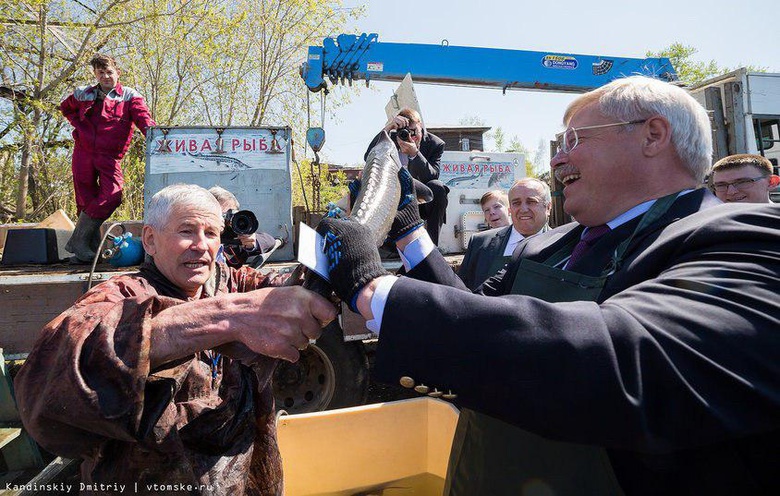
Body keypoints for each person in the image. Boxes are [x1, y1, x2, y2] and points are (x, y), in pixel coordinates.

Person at [316, 76, 779, 495]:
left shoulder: (745, 238)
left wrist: (371, 289)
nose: (557, 158)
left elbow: (628, 356)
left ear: (653, 136)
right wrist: (408, 230)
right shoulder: (550, 245)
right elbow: (470, 316)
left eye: (575, 140)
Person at [15, 184, 336, 494]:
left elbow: (283, 290)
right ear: (150, 240)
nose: (201, 244)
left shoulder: (229, 281)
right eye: (186, 231)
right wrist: (225, 318)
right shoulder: (123, 294)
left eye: (211, 233)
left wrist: (326, 268)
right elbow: (50, 377)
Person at [61, 53, 156, 263]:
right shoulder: (83, 93)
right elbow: (66, 108)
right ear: (95, 74)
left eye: (109, 72)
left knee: (113, 195)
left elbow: (144, 120)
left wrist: (157, 137)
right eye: (101, 72)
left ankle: (77, 240)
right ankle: (86, 253)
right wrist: (79, 125)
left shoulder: (129, 96)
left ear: (117, 72)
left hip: (109, 155)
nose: (105, 76)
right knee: (85, 199)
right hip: (83, 152)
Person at [364, 108, 448, 245]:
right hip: (394, 200)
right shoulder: (391, 139)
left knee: (438, 187)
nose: (411, 136)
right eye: (406, 132)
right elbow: (368, 156)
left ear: (420, 125)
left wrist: (414, 154)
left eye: (414, 131)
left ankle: (432, 246)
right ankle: (382, 244)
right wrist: (388, 127)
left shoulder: (435, 144)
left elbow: (432, 175)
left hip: (422, 202)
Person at [458, 180, 550, 290]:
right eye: (516, 203)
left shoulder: (563, 244)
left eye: (531, 201)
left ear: (548, 208)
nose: (523, 209)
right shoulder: (479, 243)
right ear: (510, 209)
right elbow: (460, 288)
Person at [209, 186, 277, 268]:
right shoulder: (199, 236)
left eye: (230, 214)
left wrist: (253, 243)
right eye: (220, 214)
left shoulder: (236, 234)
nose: (224, 219)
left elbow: (270, 241)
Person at [709, 153, 779, 203]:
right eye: (721, 185)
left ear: (771, 183)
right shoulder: (709, 222)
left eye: (742, 182)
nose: (731, 192)